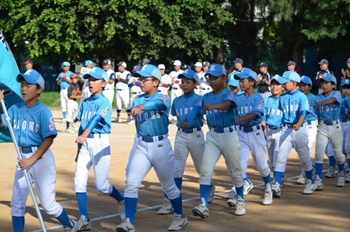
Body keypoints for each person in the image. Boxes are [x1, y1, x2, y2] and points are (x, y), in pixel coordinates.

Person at [0, 69, 78, 232]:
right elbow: (2, 125)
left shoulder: (43, 111)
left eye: (28, 85)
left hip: (41, 159)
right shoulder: (15, 109)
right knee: (17, 203)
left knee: (49, 206)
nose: (23, 88)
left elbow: (48, 138)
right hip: (22, 158)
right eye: (22, 85)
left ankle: (70, 225)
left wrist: (32, 159)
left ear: (39, 89)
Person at [116, 64, 188, 232]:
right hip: (142, 144)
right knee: (131, 183)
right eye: (140, 79)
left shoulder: (164, 97)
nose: (141, 82)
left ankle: (180, 216)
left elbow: (157, 105)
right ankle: (128, 222)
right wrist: (138, 140)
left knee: (169, 186)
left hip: (160, 146)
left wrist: (142, 107)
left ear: (156, 82)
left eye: (145, 79)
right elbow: (137, 122)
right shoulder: (137, 98)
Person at [191, 64, 246, 218]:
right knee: (205, 169)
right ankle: (203, 204)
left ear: (224, 78)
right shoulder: (206, 96)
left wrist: (214, 106)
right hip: (212, 135)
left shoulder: (230, 94)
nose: (212, 80)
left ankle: (240, 199)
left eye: (216, 77)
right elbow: (198, 109)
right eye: (210, 77)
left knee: (235, 171)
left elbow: (227, 105)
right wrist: (189, 118)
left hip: (229, 135)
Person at [74, 67, 125, 231]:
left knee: (102, 186)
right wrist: (79, 147)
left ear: (103, 83)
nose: (90, 82)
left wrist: (84, 135)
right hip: (85, 145)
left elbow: (96, 119)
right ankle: (84, 219)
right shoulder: (86, 101)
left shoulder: (104, 102)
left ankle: (122, 200)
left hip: (100, 143)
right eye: (89, 79)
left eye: (94, 80)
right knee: (78, 181)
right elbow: (82, 127)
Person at [157, 69, 208, 215]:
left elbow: (197, 110)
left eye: (188, 82)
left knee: (201, 169)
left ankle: (208, 188)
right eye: (182, 82)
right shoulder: (177, 101)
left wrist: (188, 120)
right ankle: (170, 201)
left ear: (195, 83)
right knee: (176, 169)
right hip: (181, 136)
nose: (184, 85)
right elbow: (173, 114)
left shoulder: (200, 98)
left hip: (196, 135)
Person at [227, 68, 272, 206]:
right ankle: (239, 196)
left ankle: (268, 188)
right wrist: (231, 94)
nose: (240, 83)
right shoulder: (238, 97)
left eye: (243, 80)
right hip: (240, 133)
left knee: (261, 165)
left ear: (252, 82)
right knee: (239, 165)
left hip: (255, 133)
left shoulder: (258, 98)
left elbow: (254, 115)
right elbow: (228, 104)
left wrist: (236, 120)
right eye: (239, 80)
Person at [271, 71, 315, 197]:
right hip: (286, 129)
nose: (283, 84)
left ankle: (310, 182)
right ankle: (277, 185)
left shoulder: (302, 96)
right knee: (280, 157)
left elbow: (303, 113)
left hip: (299, 129)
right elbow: (280, 114)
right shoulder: (282, 97)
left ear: (294, 83)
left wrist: (299, 123)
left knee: (304, 157)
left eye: (286, 82)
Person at [313, 73, 346, 191]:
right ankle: (318, 180)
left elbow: (333, 100)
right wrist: (318, 125)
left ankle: (341, 173)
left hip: (335, 127)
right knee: (318, 153)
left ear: (333, 85)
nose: (324, 85)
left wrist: (322, 103)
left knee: (338, 154)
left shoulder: (337, 93)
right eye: (322, 83)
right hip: (323, 126)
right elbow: (317, 114)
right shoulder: (319, 96)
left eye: (326, 83)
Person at [325, 79, 350, 178]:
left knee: (347, 147)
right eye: (344, 88)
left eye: (348, 88)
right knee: (331, 145)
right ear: (340, 89)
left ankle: (348, 168)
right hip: (338, 123)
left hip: (348, 124)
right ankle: (332, 167)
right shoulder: (337, 97)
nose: (346, 90)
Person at [295, 76, 317, 185]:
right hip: (301, 126)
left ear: (310, 87)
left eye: (305, 86)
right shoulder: (297, 97)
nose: (302, 88)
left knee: (306, 148)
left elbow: (319, 111)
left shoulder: (314, 98)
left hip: (310, 125)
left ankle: (303, 174)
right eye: (301, 85)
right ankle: (311, 167)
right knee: (301, 150)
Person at [262, 75, 284, 183]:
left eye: (277, 84)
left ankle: (277, 182)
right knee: (271, 160)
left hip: (281, 131)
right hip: (269, 131)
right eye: (272, 84)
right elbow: (263, 117)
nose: (274, 87)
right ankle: (280, 176)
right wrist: (262, 133)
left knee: (276, 158)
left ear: (282, 87)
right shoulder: (267, 100)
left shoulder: (284, 100)